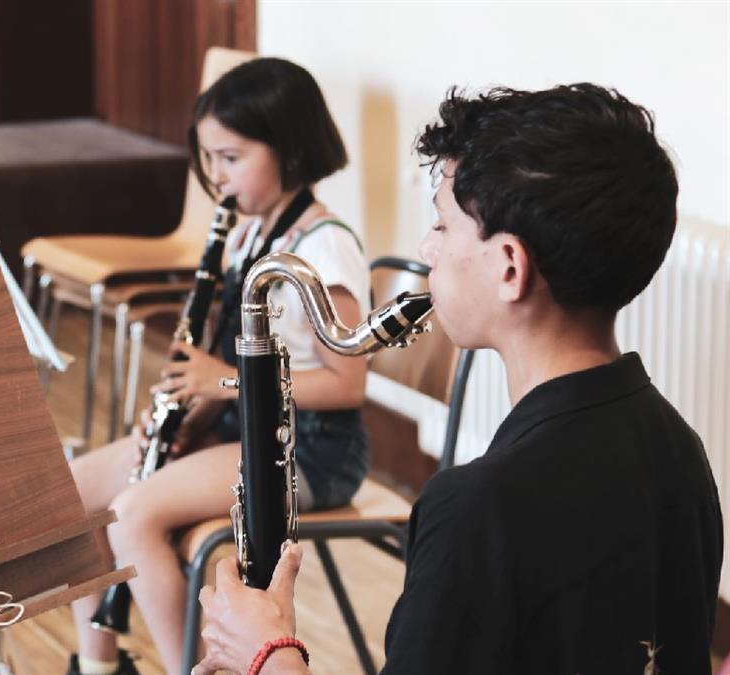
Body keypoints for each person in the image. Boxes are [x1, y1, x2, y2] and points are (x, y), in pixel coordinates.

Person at [194, 83, 722, 675]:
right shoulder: (681, 449)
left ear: (509, 268)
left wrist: (266, 652)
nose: (426, 247)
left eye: (443, 227)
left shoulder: (477, 510)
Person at [67, 57, 371, 675]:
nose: (215, 177)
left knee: (133, 516)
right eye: (207, 160)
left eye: (230, 159)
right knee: (74, 494)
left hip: (309, 452)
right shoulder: (246, 235)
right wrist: (195, 407)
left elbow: (346, 385)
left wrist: (222, 381)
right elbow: (231, 376)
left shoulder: (323, 246)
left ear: (287, 149)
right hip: (245, 433)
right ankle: (96, 665)